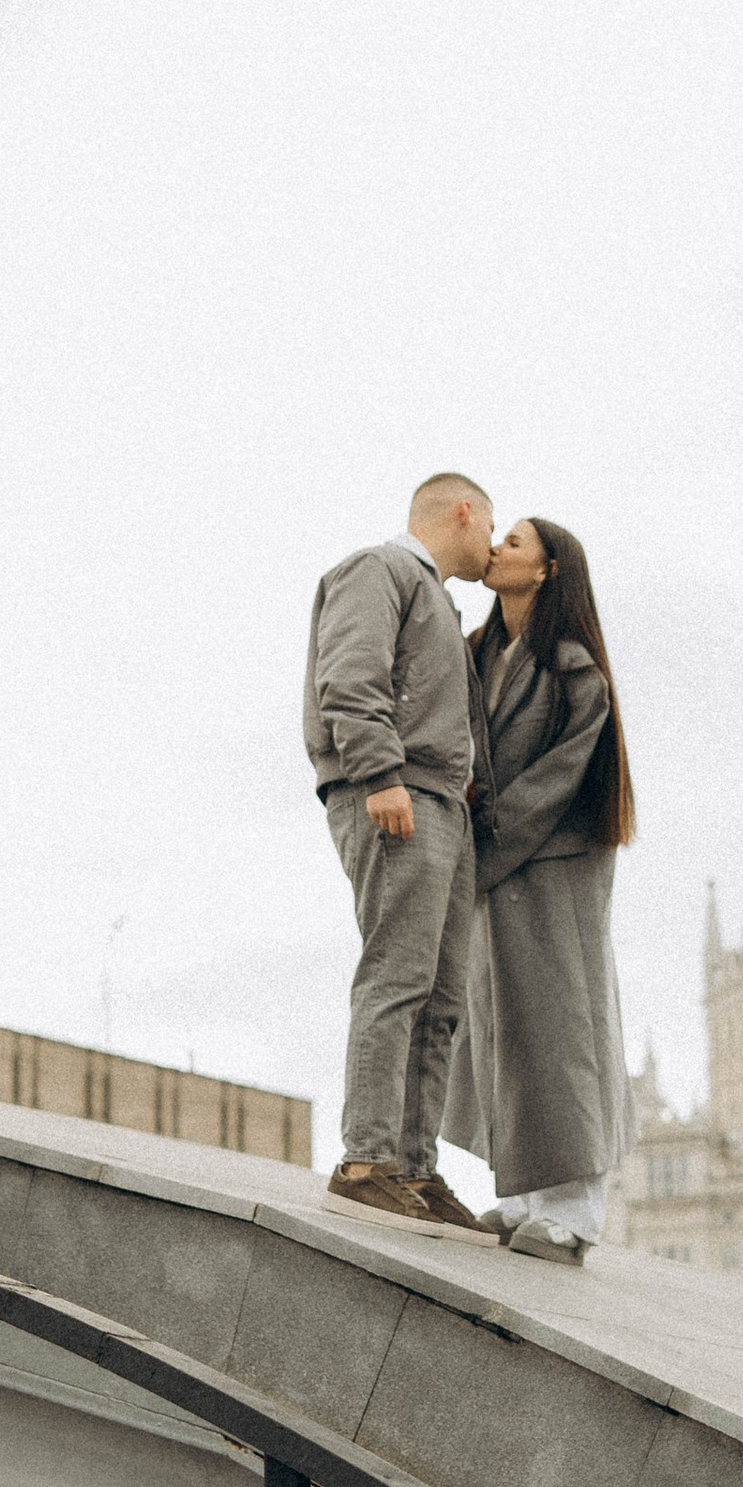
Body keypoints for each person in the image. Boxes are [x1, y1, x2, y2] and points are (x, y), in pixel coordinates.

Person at [303, 474, 498, 1224]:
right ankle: (367, 1159)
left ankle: (414, 1169)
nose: (491, 543)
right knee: (397, 975)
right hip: (397, 796)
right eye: (491, 525)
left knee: (443, 995)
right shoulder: (377, 570)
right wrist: (380, 773)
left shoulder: (437, 600)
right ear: (463, 513)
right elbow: (349, 676)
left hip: (442, 806)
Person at [441, 514, 636, 1262]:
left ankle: (576, 1213)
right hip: (498, 866)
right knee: (501, 1024)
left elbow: (557, 781)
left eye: (514, 543)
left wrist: (484, 842)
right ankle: (522, 1197)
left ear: (549, 570)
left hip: (552, 869)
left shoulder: (573, 669)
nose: (496, 551)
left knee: (562, 1030)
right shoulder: (480, 653)